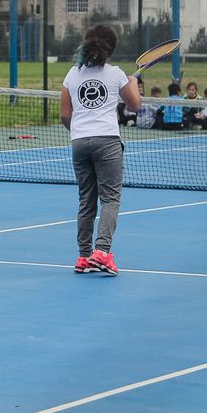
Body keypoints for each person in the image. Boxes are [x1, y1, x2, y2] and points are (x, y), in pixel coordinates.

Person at [60, 24, 141, 276]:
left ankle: (84, 257)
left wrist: (80, 132)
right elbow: (135, 105)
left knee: (86, 201)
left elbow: (64, 115)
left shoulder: (72, 75)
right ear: (111, 49)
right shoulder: (117, 74)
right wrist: (133, 81)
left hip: (79, 143)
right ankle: (102, 253)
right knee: (110, 199)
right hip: (107, 141)